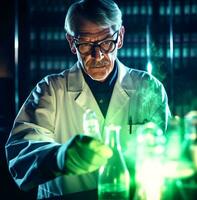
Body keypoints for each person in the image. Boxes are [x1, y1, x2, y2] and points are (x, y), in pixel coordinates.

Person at [5, 0, 171, 199]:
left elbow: (166, 152)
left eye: (107, 42)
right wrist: (62, 157)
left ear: (120, 38)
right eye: (85, 44)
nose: (97, 54)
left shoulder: (148, 87)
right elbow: (20, 153)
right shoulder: (51, 90)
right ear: (71, 43)